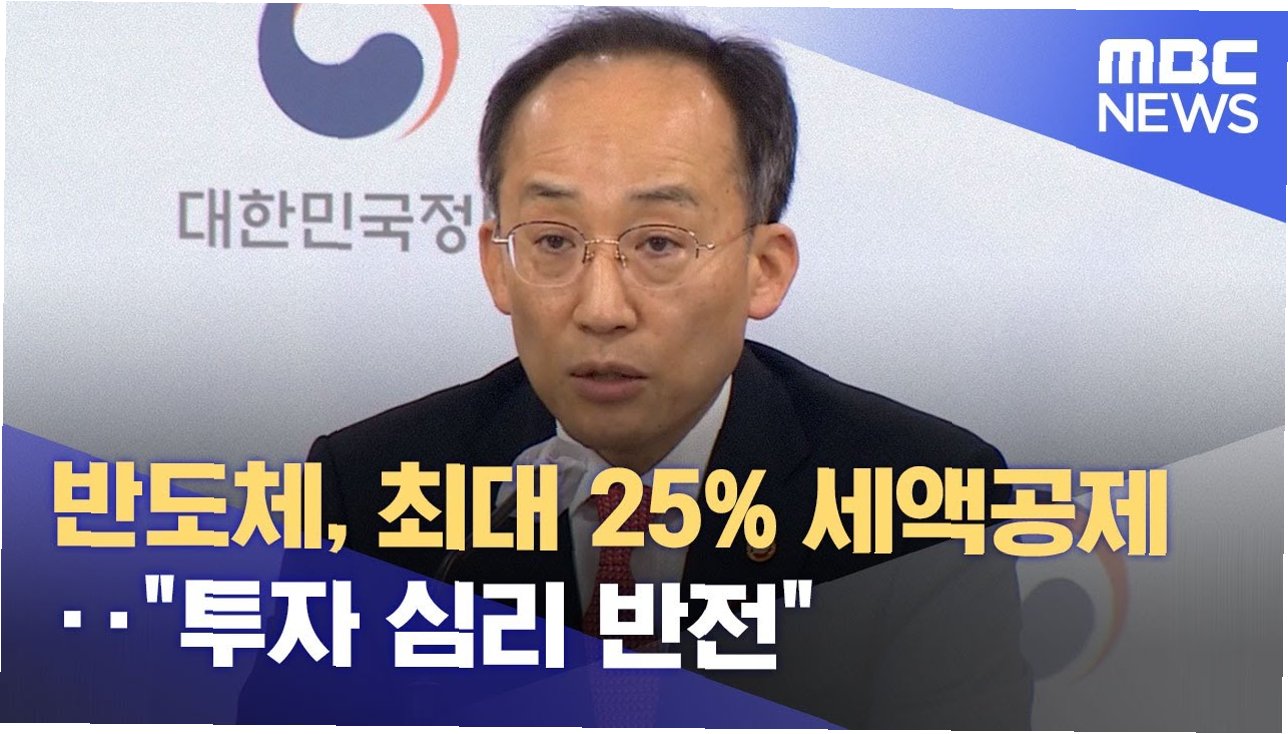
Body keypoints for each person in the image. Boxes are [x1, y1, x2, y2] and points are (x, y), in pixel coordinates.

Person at [252, 8, 1032, 728]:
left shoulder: (924, 501)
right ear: (497, 265)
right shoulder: (368, 493)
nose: (602, 307)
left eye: (659, 243)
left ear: (763, 269)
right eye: (553, 241)